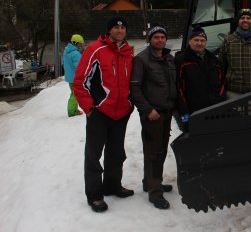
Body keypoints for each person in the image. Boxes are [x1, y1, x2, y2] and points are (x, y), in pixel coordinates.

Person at [73, 17, 134, 213]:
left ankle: (112, 185)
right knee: (93, 155)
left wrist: (129, 104)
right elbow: (80, 82)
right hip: (99, 112)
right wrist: (90, 108)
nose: (120, 30)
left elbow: (132, 82)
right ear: (109, 30)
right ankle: (95, 194)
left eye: (123, 27)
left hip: (121, 113)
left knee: (116, 154)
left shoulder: (127, 52)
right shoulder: (95, 50)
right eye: (116, 27)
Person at [130, 24, 176, 210]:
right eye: (156, 37)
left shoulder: (169, 59)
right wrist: (147, 109)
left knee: (162, 150)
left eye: (162, 37)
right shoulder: (141, 59)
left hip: (167, 111)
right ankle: (155, 193)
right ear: (149, 40)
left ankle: (150, 181)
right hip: (153, 114)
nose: (160, 40)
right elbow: (134, 88)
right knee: (153, 152)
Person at [175, 26, 226, 130]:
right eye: (196, 40)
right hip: (194, 112)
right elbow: (178, 89)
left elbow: (222, 82)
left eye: (202, 40)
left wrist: (219, 101)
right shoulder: (181, 60)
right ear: (190, 41)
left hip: (213, 110)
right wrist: (184, 115)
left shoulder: (213, 60)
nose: (199, 43)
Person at [62, 34, 84, 117]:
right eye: (80, 44)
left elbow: (63, 63)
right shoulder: (75, 53)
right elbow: (80, 66)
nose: (81, 45)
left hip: (69, 77)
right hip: (75, 78)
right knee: (75, 94)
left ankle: (74, 109)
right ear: (75, 43)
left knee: (73, 93)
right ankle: (72, 111)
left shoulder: (66, 52)